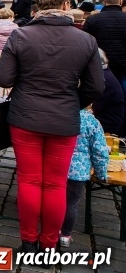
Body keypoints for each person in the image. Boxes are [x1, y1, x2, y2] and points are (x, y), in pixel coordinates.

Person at [0, 0, 104, 257]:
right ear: (66, 4)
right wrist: (73, 102)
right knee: (56, 184)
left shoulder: (21, 36)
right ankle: (48, 246)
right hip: (64, 119)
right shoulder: (86, 40)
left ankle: (29, 243)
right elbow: (96, 87)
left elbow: (3, 78)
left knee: (29, 181)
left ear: (38, 5)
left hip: (25, 117)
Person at [59, 106, 109, 248]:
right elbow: (99, 150)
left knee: (55, 199)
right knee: (72, 204)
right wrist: (101, 172)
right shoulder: (91, 121)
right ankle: (65, 235)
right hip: (78, 172)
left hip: (59, 166)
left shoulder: (61, 114)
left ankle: (51, 229)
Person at [82, 0, 126, 96]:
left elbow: (85, 44)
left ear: (105, 1)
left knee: (102, 96)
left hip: (100, 65)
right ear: (120, 2)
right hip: (123, 65)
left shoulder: (92, 20)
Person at [91, 49, 126, 135]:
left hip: (108, 123)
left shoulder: (104, 79)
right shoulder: (104, 74)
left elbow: (93, 106)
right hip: (106, 119)